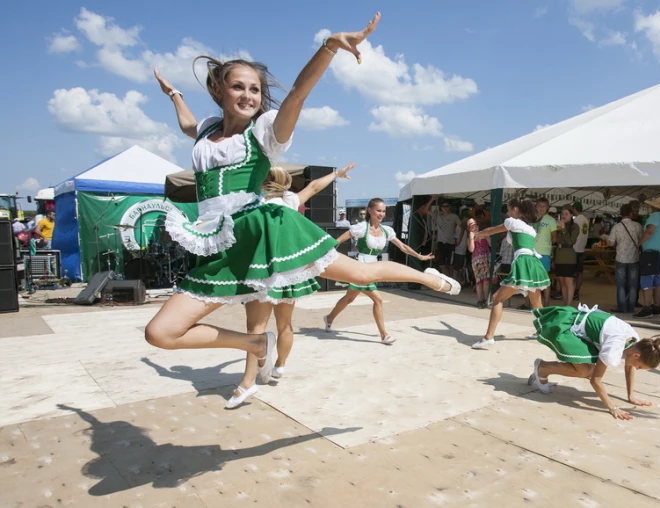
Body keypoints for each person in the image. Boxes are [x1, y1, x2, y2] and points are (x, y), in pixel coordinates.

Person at [144, 14, 461, 380]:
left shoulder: (262, 133)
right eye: (238, 87)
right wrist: (174, 94)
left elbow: (297, 95)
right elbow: (187, 124)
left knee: (359, 273)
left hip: (261, 231)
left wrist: (328, 47)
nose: (248, 96)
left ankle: (431, 279)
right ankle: (255, 345)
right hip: (218, 240)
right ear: (220, 91)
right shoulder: (207, 131)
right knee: (160, 333)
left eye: (255, 89)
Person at [227, 164, 355, 408]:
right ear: (284, 181)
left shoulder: (254, 201)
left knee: (256, 327)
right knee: (284, 324)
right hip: (289, 271)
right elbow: (315, 186)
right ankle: (279, 366)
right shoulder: (290, 199)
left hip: (263, 271)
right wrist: (336, 174)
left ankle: (249, 380)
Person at [527, 304, 660, 420]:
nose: (636, 368)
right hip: (568, 326)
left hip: (583, 328)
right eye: (640, 366)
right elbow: (596, 380)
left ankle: (543, 368)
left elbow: (629, 368)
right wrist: (612, 408)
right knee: (585, 372)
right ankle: (542, 368)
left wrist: (631, 397)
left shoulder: (636, 341)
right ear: (637, 355)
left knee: (587, 369)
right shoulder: (616, 346)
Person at [324, 198, 435, 345]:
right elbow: (338, 241)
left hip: (374, 268)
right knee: (378, 299)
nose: (381, 214)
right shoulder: (361, 227)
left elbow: (402, 246)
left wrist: (419, 255)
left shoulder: (386, 231)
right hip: (360, 267)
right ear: (370, 210)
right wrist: (327, 254)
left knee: (349, 298)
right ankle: (384, 335)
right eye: (378, 210)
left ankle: (329, 318)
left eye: (383, 211)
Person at [472, 198, 550, 349]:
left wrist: (478, 234)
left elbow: (492, 230)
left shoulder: (512, 222)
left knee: (496, 299)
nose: (507, 213)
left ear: (515, 210)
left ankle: (488, 337)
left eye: (508, 209)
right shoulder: (530, 229)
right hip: (533, 263)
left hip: (523, 262)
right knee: (536, 303)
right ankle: (542, 332)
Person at [634, 197, 660, 319]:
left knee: (646, 282)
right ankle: (656, 307)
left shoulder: (655, 216)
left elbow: (650, 231)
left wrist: (639, 242)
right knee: (657, 282)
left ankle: (647, 308)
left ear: (655, 206)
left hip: (651, 254)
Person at [606, 204, 642, 314]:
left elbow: (611, 243)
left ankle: (622, 307)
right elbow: (641, 240)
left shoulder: (616, 227)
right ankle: (631, 307)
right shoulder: (638, 226)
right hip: (635, 258)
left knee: (621, 284)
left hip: (620, 258)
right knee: (633, 284)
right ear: (631, 213)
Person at [417, 195, 461, 277]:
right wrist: (432, 200)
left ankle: (451, 281)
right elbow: (425, 210)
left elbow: (462, 227)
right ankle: (449, 280)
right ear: (440, 207)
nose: (445, 208)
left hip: (451, 243)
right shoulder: (437, 215)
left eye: (447, 206)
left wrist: (459, 239)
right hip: (441, 243)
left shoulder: (454, 216)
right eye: (443, 206)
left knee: (451, 265)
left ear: (450, 207)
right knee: (442, 265)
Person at [552, 205, 579, 307]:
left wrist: (563, 229)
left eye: (566, 214)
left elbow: (571, 240)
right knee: (561, 282)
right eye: (562, 214)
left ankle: (569, 304)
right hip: (559, 254)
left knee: (568, 282)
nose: (564, 216)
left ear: (571, 215)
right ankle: (565, 304)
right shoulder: (558, 225)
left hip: (568, 255)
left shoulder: (574, 226)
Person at [534, 197, 556, 307]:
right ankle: (531, 303)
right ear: (536, 207)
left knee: (545, 279)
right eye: (539, 206)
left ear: (547, 207)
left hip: (544, 253)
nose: (541, 208)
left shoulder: (551, 220)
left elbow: (554, 238)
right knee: (531, 279)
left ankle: (546, 304)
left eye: (544, 206)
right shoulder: (531, 218)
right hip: (531, 252)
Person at [466, 216, 492, 308]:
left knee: (486, 280)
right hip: (476, 261)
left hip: (485, 259)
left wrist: (487, 235)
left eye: (476, 225)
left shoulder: (483, 234)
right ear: (469, 228)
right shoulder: (470, 238)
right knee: (479, 281)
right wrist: (472, 238)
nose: (475, 228)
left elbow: (491, 244)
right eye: (472, 226)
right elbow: (471, 249)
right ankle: (480, 299)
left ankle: (486, 299)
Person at [571, 201, 589, 301]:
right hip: (581, 248)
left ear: (574, 209)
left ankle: (571, 291)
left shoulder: (576, 220)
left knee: (571, 273)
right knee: (580, 272)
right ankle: (577, 292)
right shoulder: (586, 220)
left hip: (574, 248)